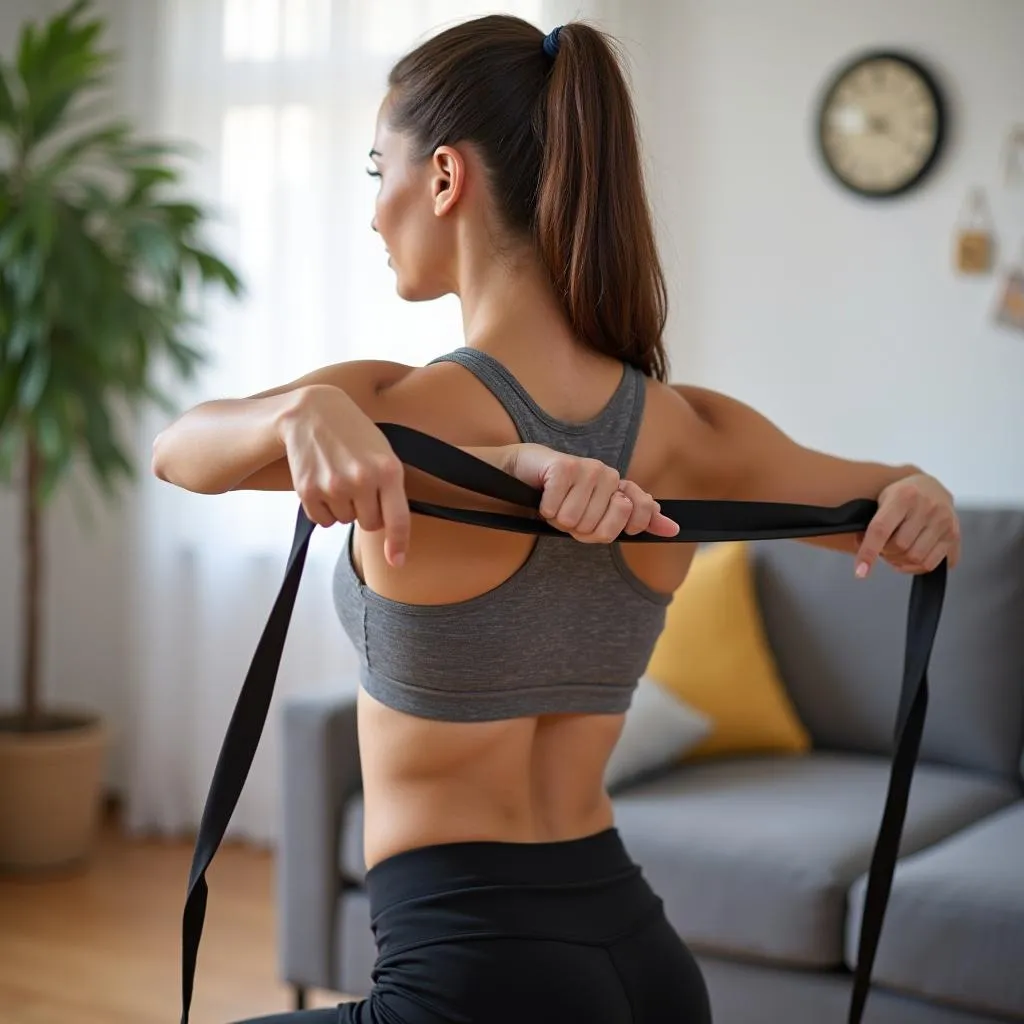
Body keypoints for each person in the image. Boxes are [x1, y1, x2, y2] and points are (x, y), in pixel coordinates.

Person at [151, 15, 961, 1024]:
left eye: (376, 171)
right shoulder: (689, 428)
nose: (372, 214)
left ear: (443, 177)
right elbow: (891, 505)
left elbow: (178, 450)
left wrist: (300, 406)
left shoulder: (401, 410)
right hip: (644, 961)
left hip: (474, 979)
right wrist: (921, 495)